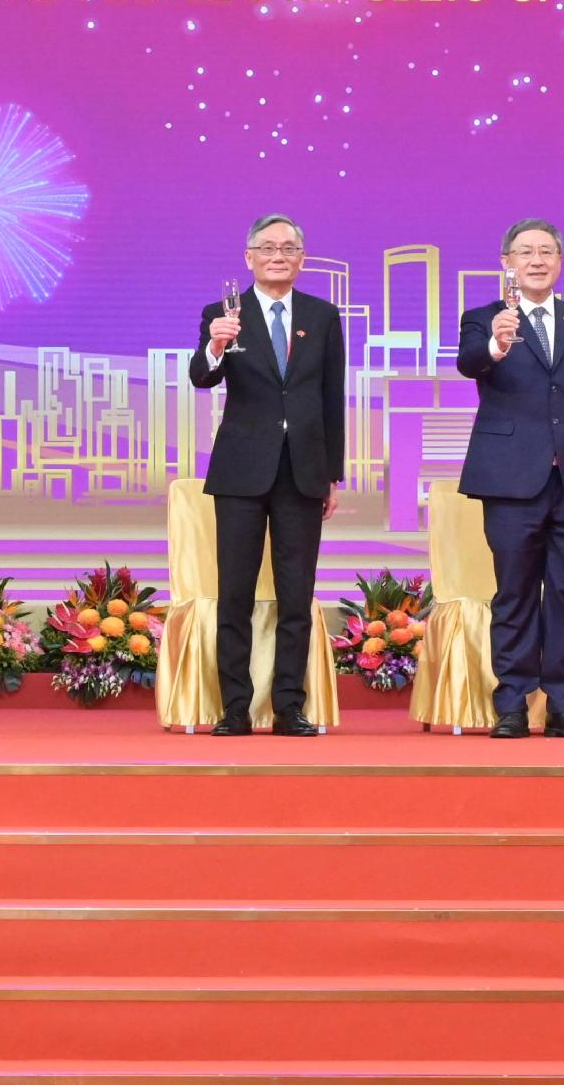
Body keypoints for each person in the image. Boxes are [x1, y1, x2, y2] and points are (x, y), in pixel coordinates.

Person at [454, 218, 564, 739]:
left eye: (546, 251)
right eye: (525, 252)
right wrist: (497, 347)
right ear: (506, 260)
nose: (536, 260)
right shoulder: (484, 318)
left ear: (560, 261)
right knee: (515, 592)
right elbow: (468, 364)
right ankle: (511, 702)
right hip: (509, 478)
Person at [188, 213, 347, 737]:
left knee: (296, 595)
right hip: (241, 471)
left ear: (301, 259)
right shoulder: (223, 314)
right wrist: (214, 345)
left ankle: (289, 707)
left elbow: (330, 399)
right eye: (267, 247)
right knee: (234, 591)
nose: (278, 255)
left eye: (288, 248)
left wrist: (332, 475)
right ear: (248, 257)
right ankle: (234, 707)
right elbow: (201, 378)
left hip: (302, 472)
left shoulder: (322, 316)